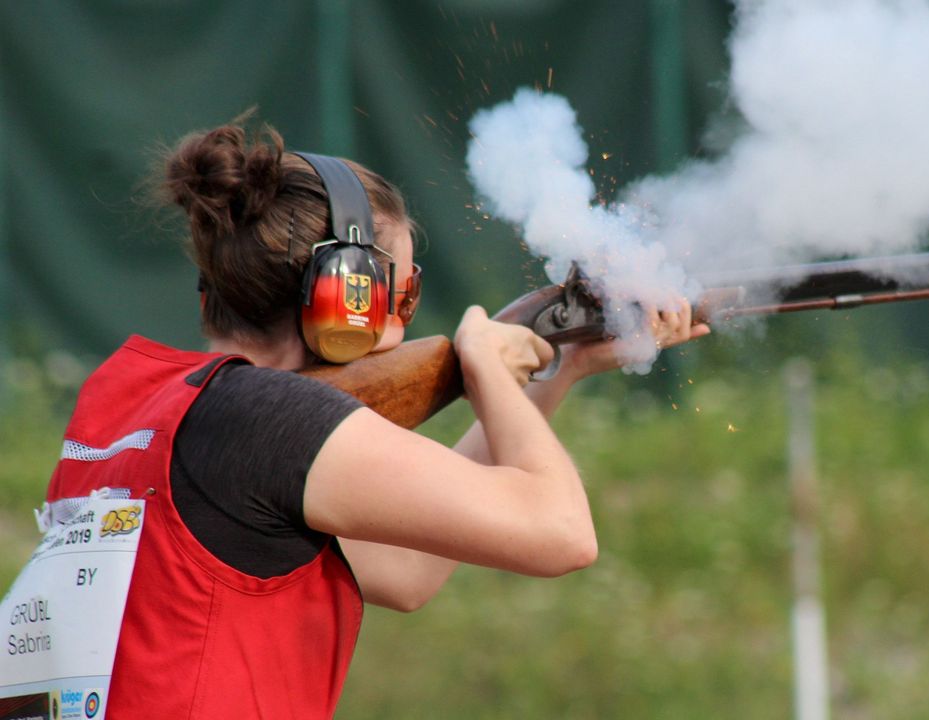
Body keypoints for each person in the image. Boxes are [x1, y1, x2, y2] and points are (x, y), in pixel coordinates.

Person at [34, 121, 709, 717]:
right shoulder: (267, 420)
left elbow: (405, 572)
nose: (407, 314)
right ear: (346, 293)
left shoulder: (124, 399)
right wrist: (479, 361)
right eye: (404, 293)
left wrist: (557, 370)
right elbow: (562, 534)